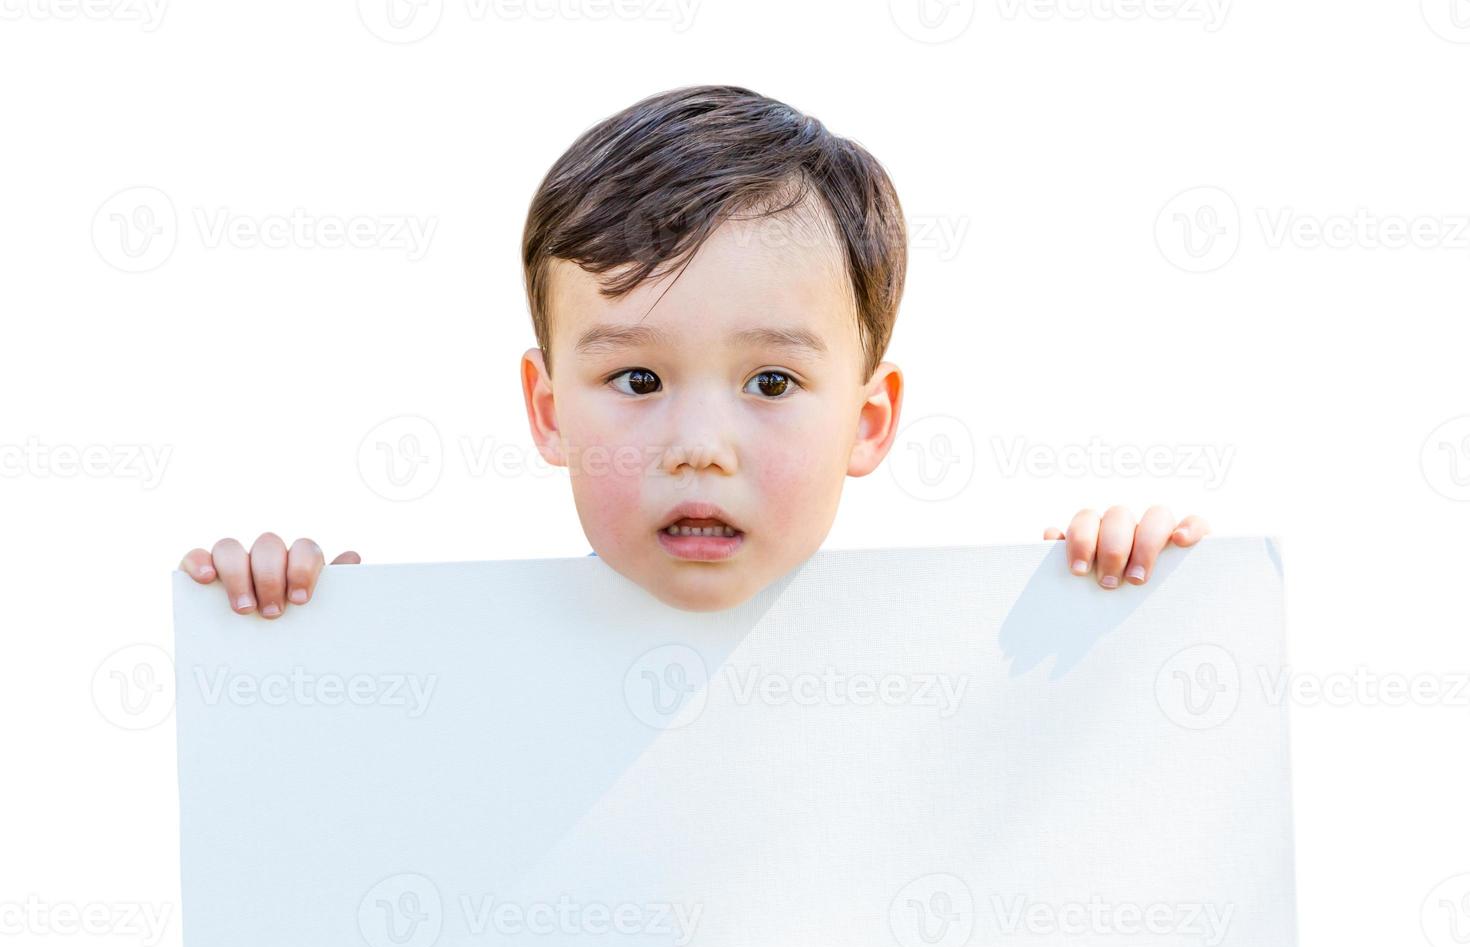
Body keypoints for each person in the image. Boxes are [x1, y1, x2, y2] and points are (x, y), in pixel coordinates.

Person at [177, 84, 1209, 615]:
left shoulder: (955, 668)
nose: (700, 444)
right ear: (547, 411)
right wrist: (289, 634)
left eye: (771, 379)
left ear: (869, 418)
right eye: (637, 377)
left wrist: (1121, 596)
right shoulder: (435, 673)